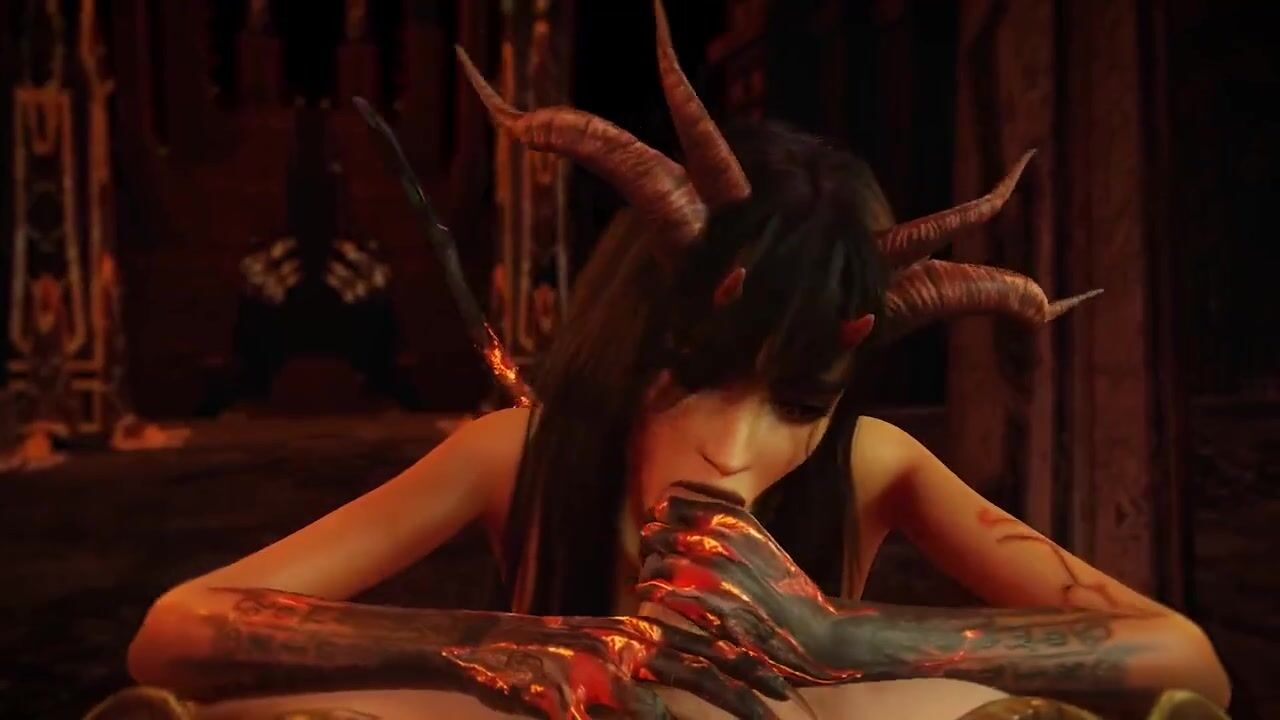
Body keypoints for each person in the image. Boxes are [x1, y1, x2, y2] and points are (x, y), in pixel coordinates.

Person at [119, 3, 1231, 719]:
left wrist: (838, 636)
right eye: (704, 377)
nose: (736, 448)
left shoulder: (872, 463)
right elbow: (175, 630)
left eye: (798, 399)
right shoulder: (520, 453)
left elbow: (1182, 659)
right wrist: (515, 651)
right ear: (643, 333)